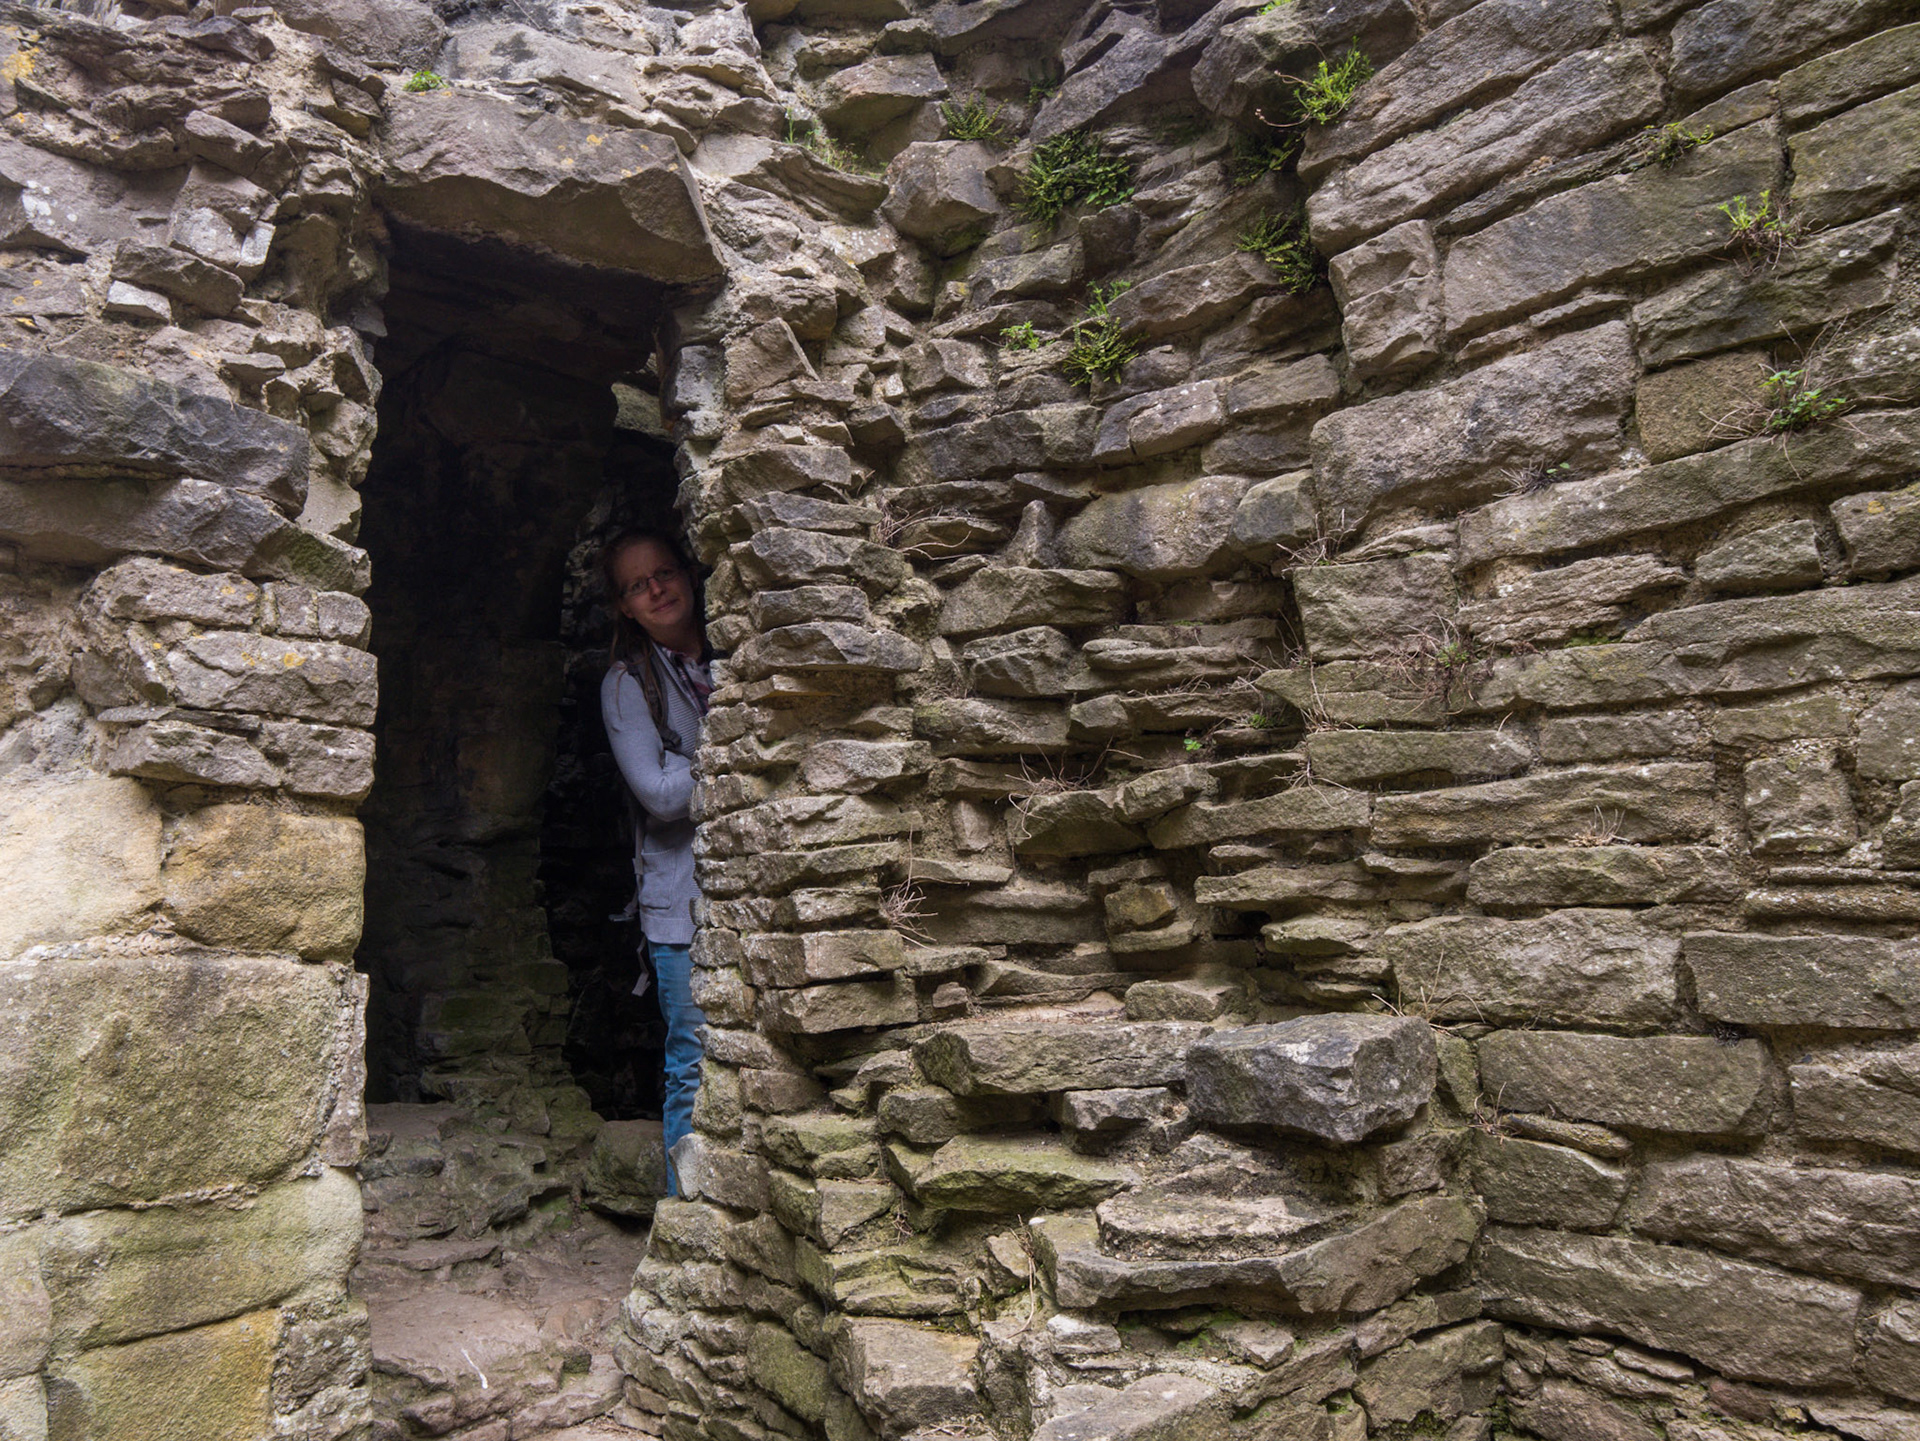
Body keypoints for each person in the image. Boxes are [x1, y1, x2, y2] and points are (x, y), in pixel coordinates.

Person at [599, 528, 712, 1194]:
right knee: (692, 1064)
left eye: (664, 572)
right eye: (638, 584)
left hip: (766, 893)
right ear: (624, 606)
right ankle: (685, 1231)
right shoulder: (626, 685)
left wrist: (690, 759)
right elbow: (661, 795)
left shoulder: (745, 653)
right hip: (680, 906)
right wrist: (743, 748)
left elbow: (681, 777)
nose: (657, 589)